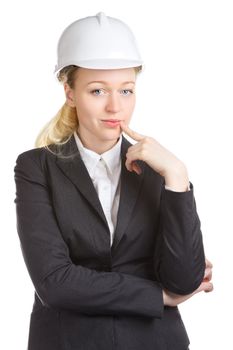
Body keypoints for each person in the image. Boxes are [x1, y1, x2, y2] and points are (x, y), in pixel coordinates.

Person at [14, 12, 213, 350]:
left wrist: (178, 177)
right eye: (97, 91)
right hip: (68, 342)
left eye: (126, 90)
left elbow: (184, 281)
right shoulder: (36, 167)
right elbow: (54, 282)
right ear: (70, 92)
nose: (114, 107)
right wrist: (156, 294)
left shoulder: (161, 170)